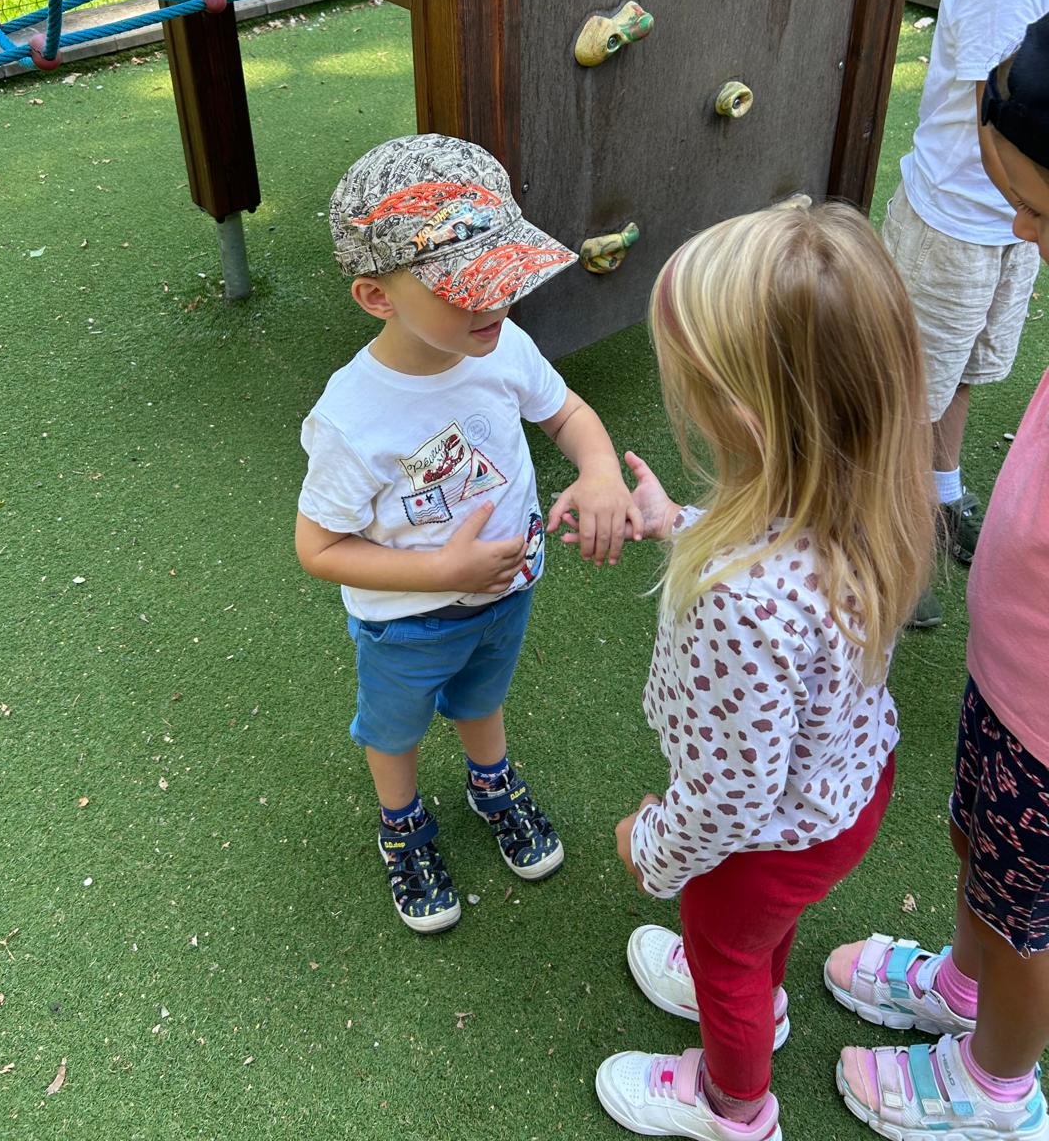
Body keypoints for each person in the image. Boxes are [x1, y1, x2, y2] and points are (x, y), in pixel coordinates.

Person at [586, 201, 934, 1141]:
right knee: (752, 937)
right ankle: (752, 988)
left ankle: (734, 1107)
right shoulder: (868, 495)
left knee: (726, 956)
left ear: (743, 413)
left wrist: (652, 849)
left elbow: (730, 799)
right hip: (846, 791)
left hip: (765, 839)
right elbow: (781, 555)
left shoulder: (736, 603)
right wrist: (678, 523)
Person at [295, 134, 642, 934]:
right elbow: (318, 548)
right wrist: (441, 572)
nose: (494, 302)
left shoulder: (502, 344)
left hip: (506, 591)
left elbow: (566, 412)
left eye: (504, 276)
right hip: (405, 624)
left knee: (484, 698)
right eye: (464, 287)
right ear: (376, 297)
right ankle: (402, 823)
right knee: (395, 730)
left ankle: (491, 782)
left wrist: (599, 470)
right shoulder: (353, 417)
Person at [826, 14, 1049, 1141]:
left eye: (1040, 211)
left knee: (1028, 920)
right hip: (1012, 678)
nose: (1019, 228)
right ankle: (964, 989)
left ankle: (997, 1084)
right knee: (978, 849)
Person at [882, 0, 1049, 628]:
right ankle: (892, 537)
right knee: (911, 391)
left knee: (965, 374)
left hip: (1012, 228)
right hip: (953, 226)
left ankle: (940, 495)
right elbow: (996, 127)